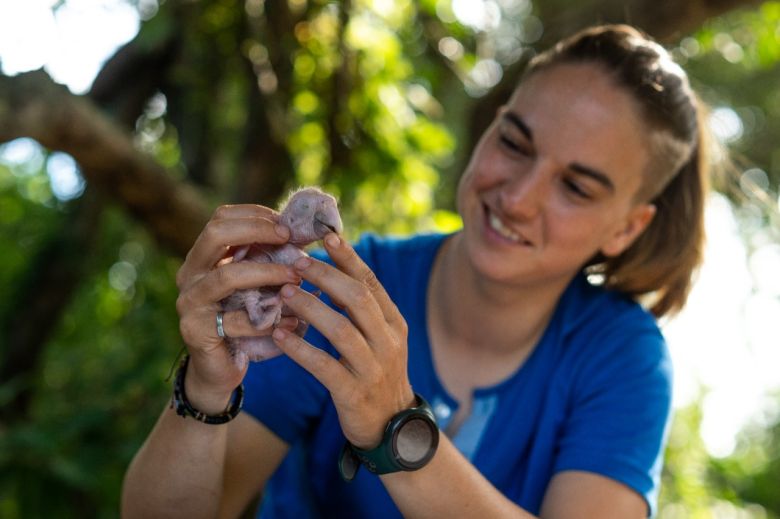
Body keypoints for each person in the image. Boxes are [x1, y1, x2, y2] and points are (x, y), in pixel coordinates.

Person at [122, 23, 708, 518]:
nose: (519, 197)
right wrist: (206, 385)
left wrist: (394, 427)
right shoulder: (332, 289)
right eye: (514, 142)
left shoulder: (620, 354)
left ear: (627, 228)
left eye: (576, 187)